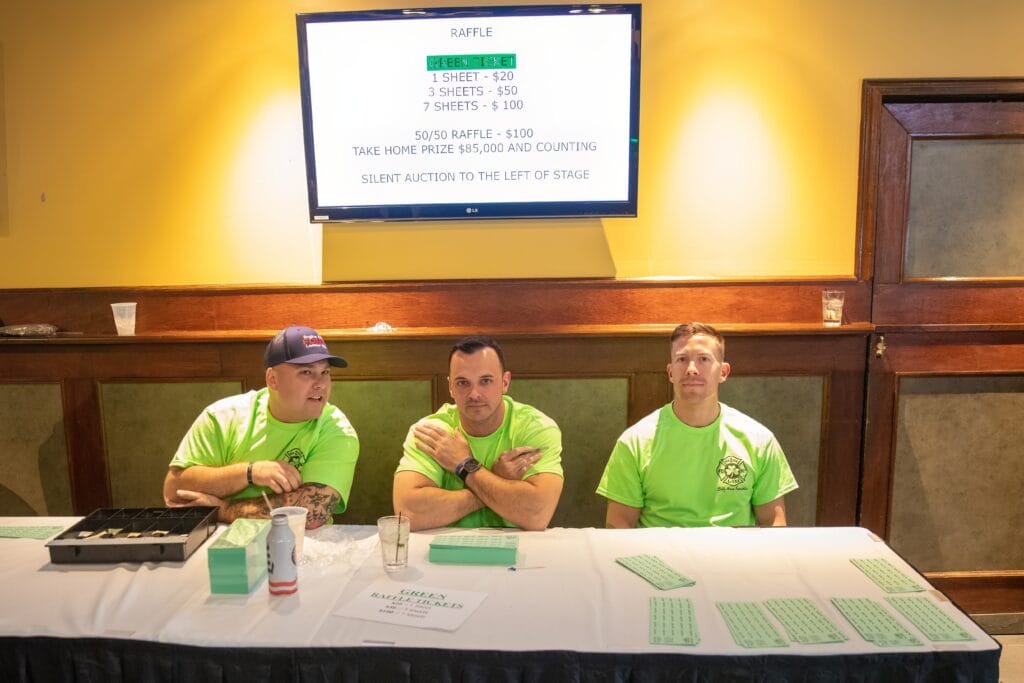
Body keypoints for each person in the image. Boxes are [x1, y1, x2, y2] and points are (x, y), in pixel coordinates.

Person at [597, 322, 797, 528]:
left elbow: (773, 522)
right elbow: (619, 525)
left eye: (703, 359)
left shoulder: (759, 440)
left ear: (723, 372)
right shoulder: (633, 442)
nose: (691, 369)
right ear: (671, 372)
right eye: (682, 359)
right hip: (660, 548)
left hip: (732, 549)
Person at [163, 326, 359, 529]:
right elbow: (174, 491)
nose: (321, 384)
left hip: (301, 541)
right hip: (218, 541)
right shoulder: (223, 417)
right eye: (306, 372)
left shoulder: (337, 430)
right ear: (273, 379)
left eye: (325, 372)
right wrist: (249, 472)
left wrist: (223, 510)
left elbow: (310, 513)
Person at [393, 336, 563, 531]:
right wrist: (494, 479)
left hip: (520, 547)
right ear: (450, 387)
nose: (474, 394)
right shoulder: (432, 431)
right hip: (445, 547)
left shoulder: (535, 428)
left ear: (505, 382)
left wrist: (464, 464)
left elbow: (536, 515)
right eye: (462, 383)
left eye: (486, 381)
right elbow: (408, 514)